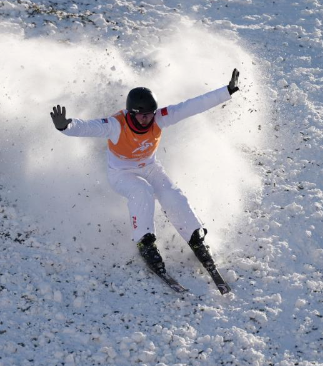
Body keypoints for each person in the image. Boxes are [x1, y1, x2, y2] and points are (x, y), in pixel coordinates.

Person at [50, 69, 240, 276]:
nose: (146, 119)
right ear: (131, 113)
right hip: (122, 173)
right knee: (142, 192)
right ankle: (146, 243)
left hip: (150, 166)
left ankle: (195, 237)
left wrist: (226, 91)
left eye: (150, 114)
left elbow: (191, 106)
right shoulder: (116, 125)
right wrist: (66, 126)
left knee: (171, 194)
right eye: (142, 115)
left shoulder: (159, 118)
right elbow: (89, 127)